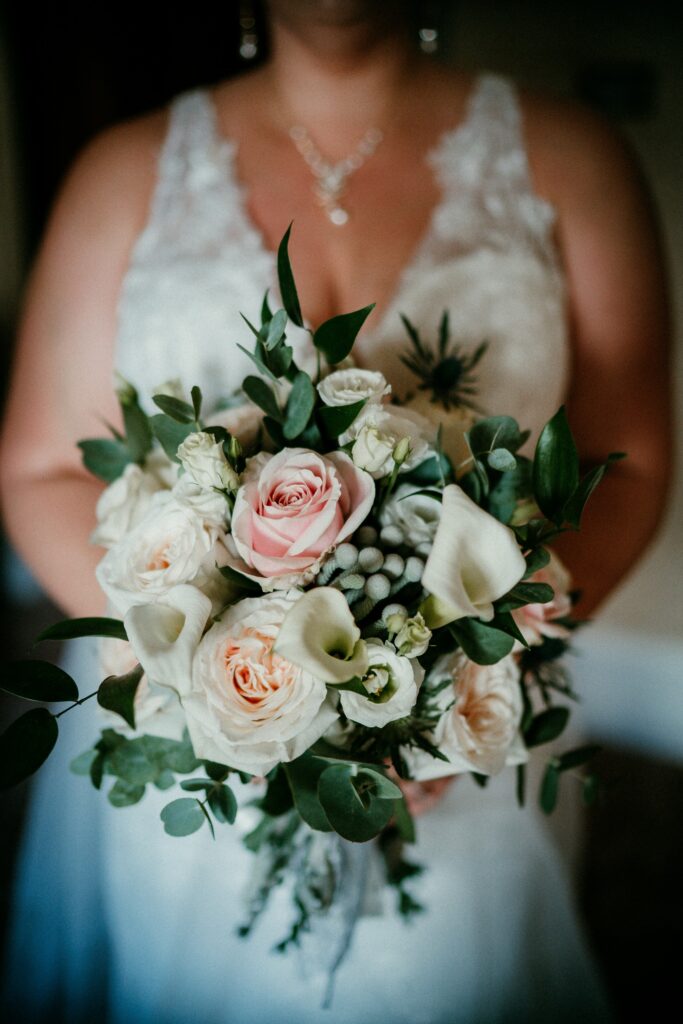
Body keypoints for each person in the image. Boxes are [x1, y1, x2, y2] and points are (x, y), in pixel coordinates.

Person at [0, 2, 672, 1021]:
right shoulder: (119, 171)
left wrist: (461, 679)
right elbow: (41, 463)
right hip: (204, 743)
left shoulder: (575, 159)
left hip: (467, 745)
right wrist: (194, 679)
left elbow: (630, 464)